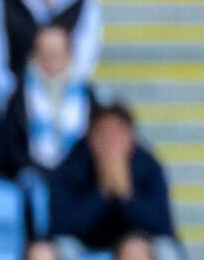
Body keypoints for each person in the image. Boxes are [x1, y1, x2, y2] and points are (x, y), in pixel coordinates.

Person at [47, 102, 174, 251]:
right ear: (90, 139)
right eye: (103, 135)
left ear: (131, 139)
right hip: (87, 247)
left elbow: (162, 226)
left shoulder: (149, 167)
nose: (110, 143)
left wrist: (127, 195)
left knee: (166, 250)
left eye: (117, 135)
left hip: (137, 250)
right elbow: (60, 227)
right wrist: (101, 193)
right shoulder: (71, 166)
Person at [0, 25, 93, 180]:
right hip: (33, 174)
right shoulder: (19, 95)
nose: (52, 57)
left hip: (79, 175)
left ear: (69, 53)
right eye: (46, 51)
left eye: (57, 51)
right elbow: (11, 146)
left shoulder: (89, 95)